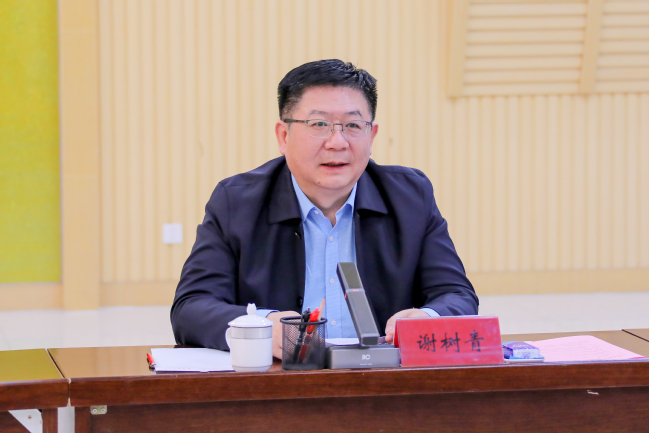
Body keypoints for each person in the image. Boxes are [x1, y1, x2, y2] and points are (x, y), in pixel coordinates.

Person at [171, 59, 478, 358]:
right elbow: (191, 308)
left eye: (353, 125)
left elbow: (458, 296)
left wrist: (427, 318)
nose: (337, 142)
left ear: (371, 137)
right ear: (283, 136)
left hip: (381, 380)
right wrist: (260, 327)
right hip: (279, 383)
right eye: (319, 124)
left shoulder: (410, 197)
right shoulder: (237, 202)